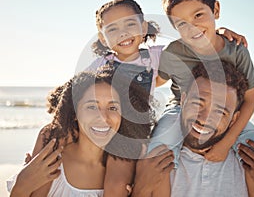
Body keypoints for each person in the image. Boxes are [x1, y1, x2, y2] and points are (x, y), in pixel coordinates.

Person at [22, 0, 249, 196]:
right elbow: (76, 92)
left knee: (117, 183)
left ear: (142, 27)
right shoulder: (101, 64)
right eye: (112, 29)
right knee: (49, 134)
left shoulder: (156, 58)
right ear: (103, 38)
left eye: (130, 24)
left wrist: (218, 32)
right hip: (104, 122)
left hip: (132, 134)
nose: (123, 33)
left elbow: (190, 45)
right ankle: (30, 175)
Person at [148, 0, 254, 167]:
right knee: (157, 149)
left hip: (226, 113)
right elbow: (156, 81)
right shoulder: (173, 53)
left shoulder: (236, 51)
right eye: (181, 24)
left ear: (216, 10)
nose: (192, 28)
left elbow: (249, 101)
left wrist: (226, 142)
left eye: (198, 15)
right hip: (180, 110)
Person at [133, 60, 254, 197]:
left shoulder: (253, 162)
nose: (204, 118)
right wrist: (140, 190)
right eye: (197, 104)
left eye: (220, 112)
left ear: (234, 119)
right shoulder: (152, 163)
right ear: (183, 100)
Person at [7, 70, 154, 197]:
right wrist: (21, 186)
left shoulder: (126, 172)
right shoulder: (52, 162)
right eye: (92, 107)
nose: (103, 116)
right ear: (75, 113)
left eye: (113, 108)